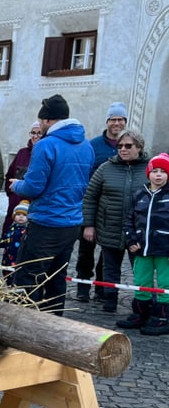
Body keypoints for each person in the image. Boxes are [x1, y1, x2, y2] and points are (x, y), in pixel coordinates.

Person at [9, 94, 93, 315]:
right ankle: (54, 327)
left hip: (46, 222)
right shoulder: (86, 145)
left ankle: (27, 329)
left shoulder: (46, 145)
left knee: (29, 278)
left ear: (47, 120)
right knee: (56, 278)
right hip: (71, 223)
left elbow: (33, 188)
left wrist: (17, 185)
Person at [82, 129, 149, 313]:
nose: (123, 149)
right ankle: (109, 301)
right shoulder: (106, 167)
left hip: (139, 232)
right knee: (110, 269)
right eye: (120, 146)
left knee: (140, 269)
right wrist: (89, 224)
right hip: (109, 227)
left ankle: (143, 304)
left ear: (139, 147)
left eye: (128, 146)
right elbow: (90, 197)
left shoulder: (150, 169)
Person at [76, 101, 128, 302]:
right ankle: (82, 284)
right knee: (86, 249)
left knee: (109, 252)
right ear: (107, 122)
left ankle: (101, 286)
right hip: (92, 205)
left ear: (125, 122)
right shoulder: (94, 145)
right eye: (113, 119)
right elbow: (84, 174)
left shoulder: (130, 144)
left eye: (120, 119)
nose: (116, 123)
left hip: (114, 210)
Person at [121, 153, 169, 334]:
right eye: (155, 171)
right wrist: (130, 240)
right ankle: (141, 313)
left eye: (163, 171)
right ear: (148, 173)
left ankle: (163, 318)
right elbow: (128, 220)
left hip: (165, 251)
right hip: (142, 249)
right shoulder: (139, 194)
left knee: (166, 283)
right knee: (142, 281)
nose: (158, 175)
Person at [1, 122, 42, 235]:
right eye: (33, 133)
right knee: (11, 235)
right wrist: (12, 194)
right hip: (16, 204)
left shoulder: (45, 154)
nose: (35, 136)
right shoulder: (22, 153)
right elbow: (9, 175)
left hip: (34, 204)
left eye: (39, 133)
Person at [0, 200, 29, 285]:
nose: (21, 217)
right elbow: (5, 239)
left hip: (19, 260)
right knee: (8, 277)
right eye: (18, 214)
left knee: (18, 279)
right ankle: (10, 291)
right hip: (7, 259)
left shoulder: (28, 230)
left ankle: (18, 293)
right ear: (14, 216)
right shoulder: (12, 227)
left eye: (24, 215)